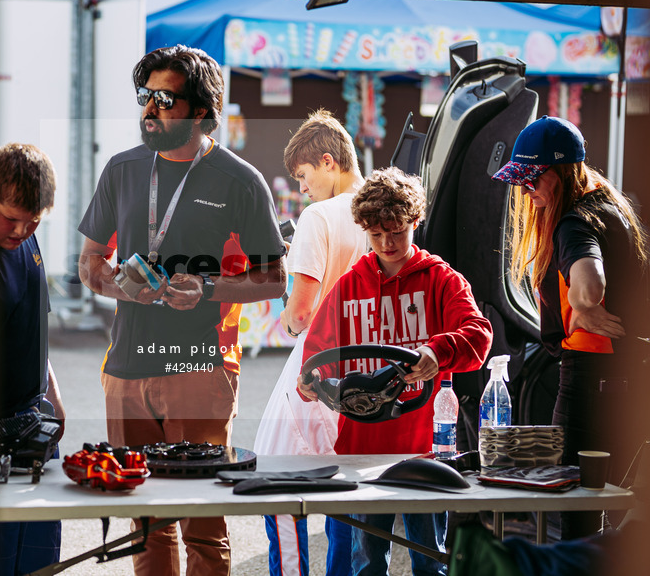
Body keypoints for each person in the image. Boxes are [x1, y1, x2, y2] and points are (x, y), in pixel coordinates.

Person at [77, 44, 287, 576]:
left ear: (200, 109)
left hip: (201, 366)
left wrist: (208, 289)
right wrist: (121, 288)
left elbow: (274, 279)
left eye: (164, 98)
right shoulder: (122, 169)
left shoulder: (240, 180)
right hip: (126, 366)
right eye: (144, 96)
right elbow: (89, 264)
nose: (149, 108)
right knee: (145, 524)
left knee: (202, 524)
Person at [298, 167, 493, 576]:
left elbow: (479, 335)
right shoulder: (350, 285)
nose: (387, 243)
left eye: (397, 232)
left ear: (415, 223)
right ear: (364, 231)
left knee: (430, 561)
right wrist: (310, 383)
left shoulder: (441, 280)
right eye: (376, 234)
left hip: (425, 449)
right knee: (366, 562)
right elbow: (315, 352)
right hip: (362, 450)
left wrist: (438, 352)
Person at [491, 115, 650, 538]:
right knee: (607, 509)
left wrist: (581, 306)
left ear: (560, 172)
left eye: (533, 179)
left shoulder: (574, 223)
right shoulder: (608, 205)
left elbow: (590, 284)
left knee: (578, 513)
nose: (526, 190)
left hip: (591, 383)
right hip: (627, 378)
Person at [253, 108, 366, 576]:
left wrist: (288, 314)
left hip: (318, 365)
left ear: (327, 161)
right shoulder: (386, 211)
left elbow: (300, 314)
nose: (301, 189)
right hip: (371, 368)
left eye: (303, 177)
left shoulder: (319, 216)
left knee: (276, 480)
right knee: (349, 489)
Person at [0, 143, 67, 575]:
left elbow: (36, 324)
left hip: (33, 423)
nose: (21, 230)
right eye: (10, 217)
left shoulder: (29, 242)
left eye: (33, 220)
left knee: (39, 557)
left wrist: (52, 393)